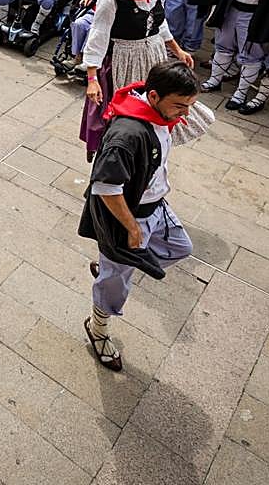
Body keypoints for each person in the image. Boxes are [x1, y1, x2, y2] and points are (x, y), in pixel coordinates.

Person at [79, 61, 210, 371]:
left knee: (180, 247)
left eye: (189, 105)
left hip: (155, 206)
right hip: (130, 216)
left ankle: (111, 268)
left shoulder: (157, 111)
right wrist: (131, 228)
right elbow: (106, 187)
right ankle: (98, 328)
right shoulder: (128, 135)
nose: (186, 114)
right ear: (153, 96)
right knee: (115, 287)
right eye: (180, 106)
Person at [80, 0, 194, 158]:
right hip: (125, 59)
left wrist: (177, 50)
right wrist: (92, 79)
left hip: (154, 56)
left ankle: (149, 144)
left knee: (155, 103)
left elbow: (160, 24)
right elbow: (97, 39)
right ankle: (117, 150)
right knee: (126, 109)